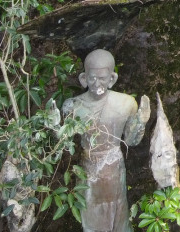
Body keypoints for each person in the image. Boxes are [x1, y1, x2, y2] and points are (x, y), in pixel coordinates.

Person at [62, 49, 151, 232]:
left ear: (112, 79)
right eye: (92, 78)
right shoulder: (73, 106)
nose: (97, 83)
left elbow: (131, 141)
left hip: (114, 169)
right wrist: (56, 127)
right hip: (88, 170)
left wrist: (141, 122)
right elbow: (64, 144)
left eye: (102, 78)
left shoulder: (126, 103)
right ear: (83, 79)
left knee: (118, 215)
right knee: (90, 217)